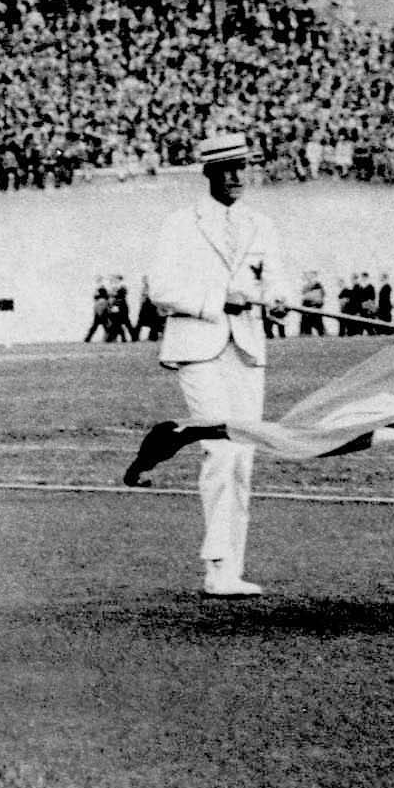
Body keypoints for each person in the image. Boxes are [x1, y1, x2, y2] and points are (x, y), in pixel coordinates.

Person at [143, 129, 283, 597]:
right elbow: (160, 291)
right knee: (220, 449)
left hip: (246, 349)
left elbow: (277, 283)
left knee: (243, 457)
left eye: (244, 167)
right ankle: (217, 567)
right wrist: (221, 299)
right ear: (208, 172)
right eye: (227, 169)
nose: (237, 177)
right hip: (198, 347)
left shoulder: (262, 224)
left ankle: (231, 569)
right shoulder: (180, 224)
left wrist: (278, 301)